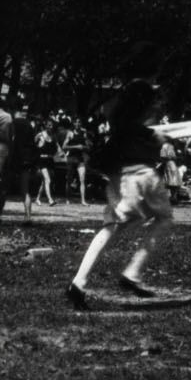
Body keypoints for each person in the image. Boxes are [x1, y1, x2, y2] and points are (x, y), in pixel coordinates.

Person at [67, 75, 173, 310]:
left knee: (111, 228)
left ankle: (79, 282)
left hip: (120, 180)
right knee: (164, 218)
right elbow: (159, 145)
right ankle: (133, 272)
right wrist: (163, 140)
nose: (156, 104)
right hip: (142, 178)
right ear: (144, 104)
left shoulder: (119, 124)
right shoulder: (142, 131)